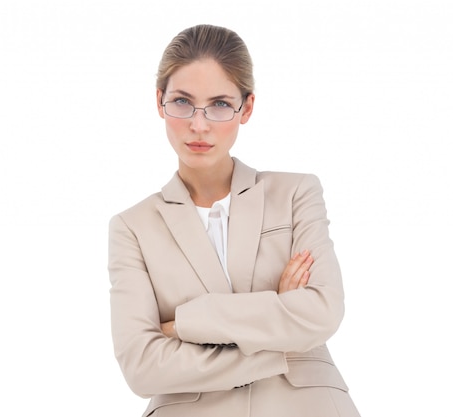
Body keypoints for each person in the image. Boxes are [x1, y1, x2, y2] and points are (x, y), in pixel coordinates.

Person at [107, 24, 360, 417]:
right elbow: (142, 367)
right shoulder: (132, 227)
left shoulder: (296, 194)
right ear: (159, 102)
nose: (199, 124)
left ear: (247, 107)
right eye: (182, 102)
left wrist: (186, 323)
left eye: (221, 104)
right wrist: (276, 324)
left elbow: (322, 310)